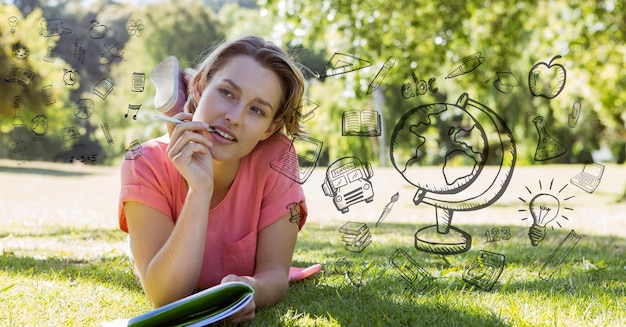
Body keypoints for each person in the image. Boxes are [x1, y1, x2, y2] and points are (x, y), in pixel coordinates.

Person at [118, 36, 314, 323]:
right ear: (201, 86)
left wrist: (251, 288)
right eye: (227, 92)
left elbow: (274, 274)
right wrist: (199, 190)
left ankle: (187, 104)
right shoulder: (143, 163)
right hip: (157, 238)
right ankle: (188, 100)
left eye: (257, 110)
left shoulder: (276, 157)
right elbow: (165, 296)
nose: (234, 117)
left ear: (270, 128)